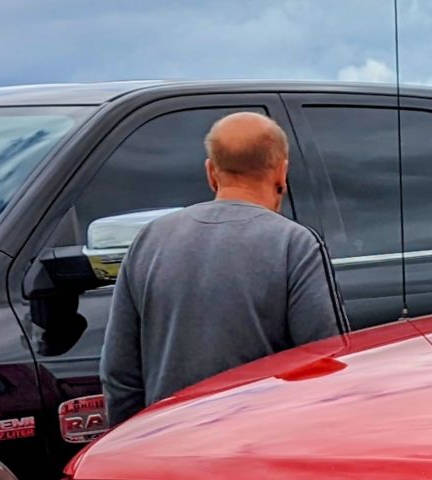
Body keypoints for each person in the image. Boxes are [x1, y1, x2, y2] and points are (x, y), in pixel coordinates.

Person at [100, 111, 346, 426]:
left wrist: (128, 443)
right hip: (255, 449)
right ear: (282, 173)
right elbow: (323, 363)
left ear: (211, 173)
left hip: (166, 446)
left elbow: (119, 372)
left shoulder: (150, 239)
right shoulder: (295, 244)